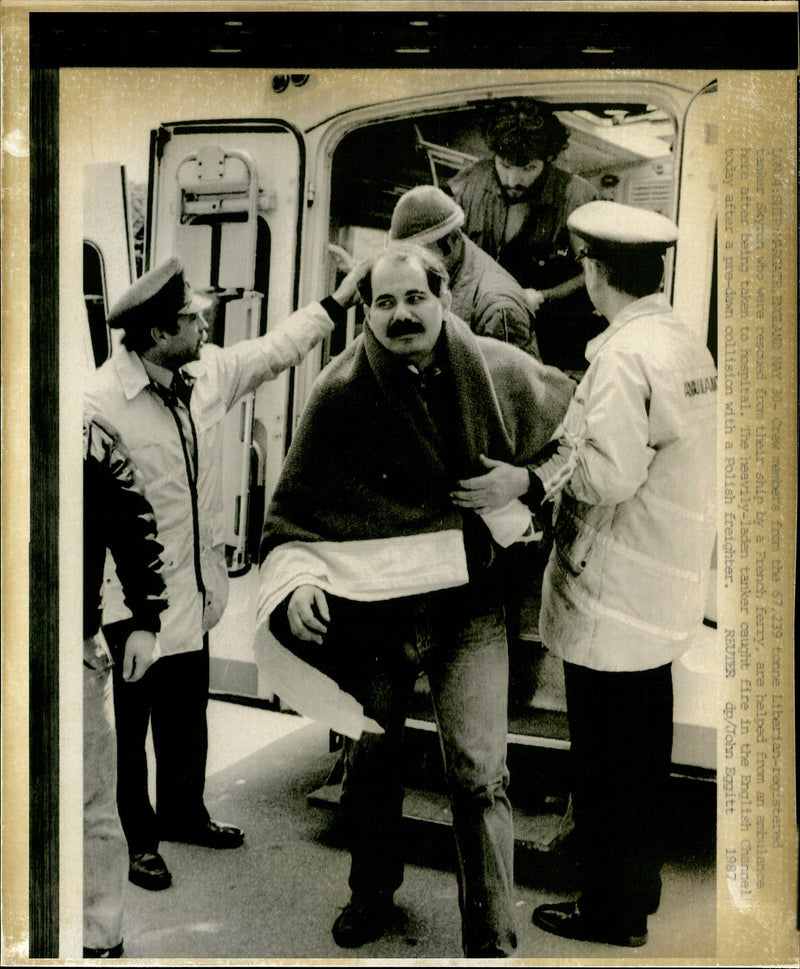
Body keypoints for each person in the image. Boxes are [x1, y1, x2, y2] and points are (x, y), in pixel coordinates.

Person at [256, 242, 574, 956]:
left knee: (480, 771)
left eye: (415, 298)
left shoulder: (498, 368)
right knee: (372, 760)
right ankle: (371, 893)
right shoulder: (337, 392)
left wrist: (521, 482)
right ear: (365, 312)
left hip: (469, 609)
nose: (401, 314)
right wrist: (302, 579)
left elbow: (577, 434)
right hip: (375, 611)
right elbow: (292, 515)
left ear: (444, 299)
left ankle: (491, 935)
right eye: (384, 302)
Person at [476, 201, 717, 947]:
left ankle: (611, 913)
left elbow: (607, 476)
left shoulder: (622, 355)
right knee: (641, 760)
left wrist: (540, 474)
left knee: (608, 764)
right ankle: (633, 893)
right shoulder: (684, 345)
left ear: (594, 269)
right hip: (662, 588)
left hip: (614, 593)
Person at [84, 256, 357, 891]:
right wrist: (111, 617)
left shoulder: (205, 373)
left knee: (186, 714)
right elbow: (91, 524)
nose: (206, 325)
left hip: (197, 593)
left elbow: (278, 348)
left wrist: (338, 302)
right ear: (155, 335)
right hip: (134, 604)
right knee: (129, 731)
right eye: (193, 318)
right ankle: (138, 840)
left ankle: (184, 812)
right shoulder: (100, 402)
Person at [83, 411, 167, 957]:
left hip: (70, 635)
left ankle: (99, 937)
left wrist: (144, 620)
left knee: (93, 800)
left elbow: (133, 522)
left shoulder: (87, 432)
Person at [449, 101, 601, 373]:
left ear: (548, 159)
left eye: (528, 168)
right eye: (505, 165)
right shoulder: (465, 187)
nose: (513, 179)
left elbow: (595, 273)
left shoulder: (577, 197)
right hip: (478, 337)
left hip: (555, 342)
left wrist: (544, 297)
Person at [387, 183, 540, 356]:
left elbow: (506, 379)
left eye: (419, 255)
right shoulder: (445, 268)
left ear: (453, 240)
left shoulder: (496, 309)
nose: (410, 265)